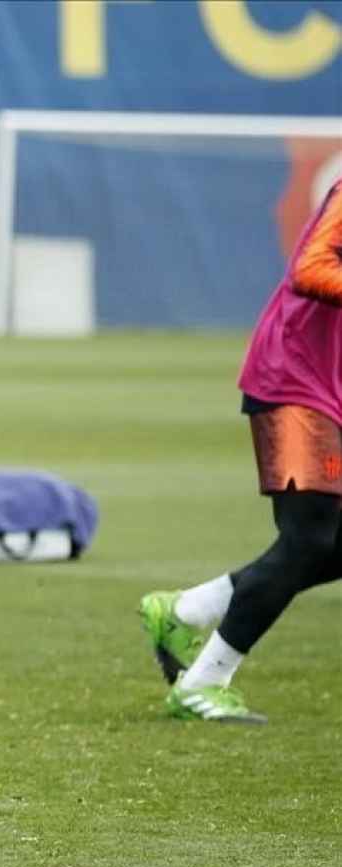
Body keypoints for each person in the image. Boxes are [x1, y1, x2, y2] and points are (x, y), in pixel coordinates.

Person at [139, 177, 342, 724]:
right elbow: (309, 269)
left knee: (333, 543)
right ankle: (203, 685)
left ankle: (187, 609)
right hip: (294, 382)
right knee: (309, 540)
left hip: (328, 389)